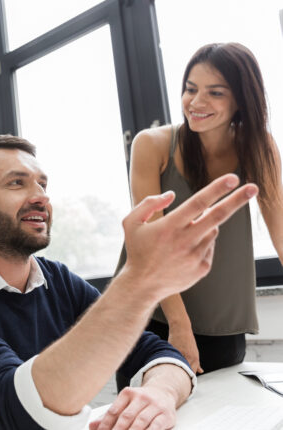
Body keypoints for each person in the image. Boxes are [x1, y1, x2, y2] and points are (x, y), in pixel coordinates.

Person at [0, 135, 257, 430]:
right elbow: (14, 408)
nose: (40, 195)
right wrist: (140, 281)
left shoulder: (59, 280)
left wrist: (160, 394)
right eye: (17, 183)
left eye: (42, 183)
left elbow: (157, 352)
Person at [118, 42, 283, 385]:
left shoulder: (258, 146)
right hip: (152, 316)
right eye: (190, 89)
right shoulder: (152, 144)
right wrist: (179, 326)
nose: (196, 102)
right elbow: (152, 245)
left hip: (222, 319)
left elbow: (280, 225)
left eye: (215, 92)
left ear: (241, 99)